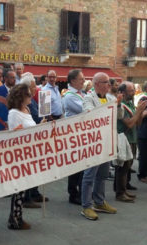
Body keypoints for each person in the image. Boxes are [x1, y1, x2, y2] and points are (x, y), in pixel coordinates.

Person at [81, 72, 117, 221]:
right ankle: (86, 206)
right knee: (89, 175)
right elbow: (90, 114)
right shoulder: (88, 98)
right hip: (94, 142)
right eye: (105, 82)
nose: (109, 85)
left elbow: (118, 116)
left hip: (107, 141)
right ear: (96, 84)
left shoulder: (110, 98)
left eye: (109, 82)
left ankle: (100, 202)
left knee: (103, 175)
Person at [6, 83, 37, 230]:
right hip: (20, 154)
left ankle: (18, 216)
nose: (31, 97)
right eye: (28, 94)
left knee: (24, 187)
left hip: (30, 152)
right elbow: (14, 134)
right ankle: (15, 218)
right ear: (21, 97)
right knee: (18, 188)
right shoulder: (13, 113)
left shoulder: (27, 110)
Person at [115, 82, 147, 202]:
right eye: (130, 91)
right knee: (122, 167)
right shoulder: (120, 105)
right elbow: (129, 123)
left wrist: (140, 112)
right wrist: (139, 111)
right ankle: (119, 193)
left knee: (127, 167)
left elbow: (137, 123)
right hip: (123, 138)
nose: (133, 92)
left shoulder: (130, 103)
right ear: (122, 93)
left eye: (133, 90)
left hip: (132, 138)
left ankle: (123, 190)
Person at [19, 73, 48, 208]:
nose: (35, 88)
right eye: (33, 86)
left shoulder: (34, 101)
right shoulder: (21, 106)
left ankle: (34, 193)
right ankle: (27, 197)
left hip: (37, 135)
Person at [62, 69, 85, 205]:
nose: (83, 81)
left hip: (81, 134)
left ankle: (80, 191)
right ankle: (73, 193)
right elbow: (85, 110)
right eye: (81, 79)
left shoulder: (81, 93)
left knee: (81, 165)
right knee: (76, 166)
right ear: (73, 81)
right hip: (73, 135)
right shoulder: (70, 96)